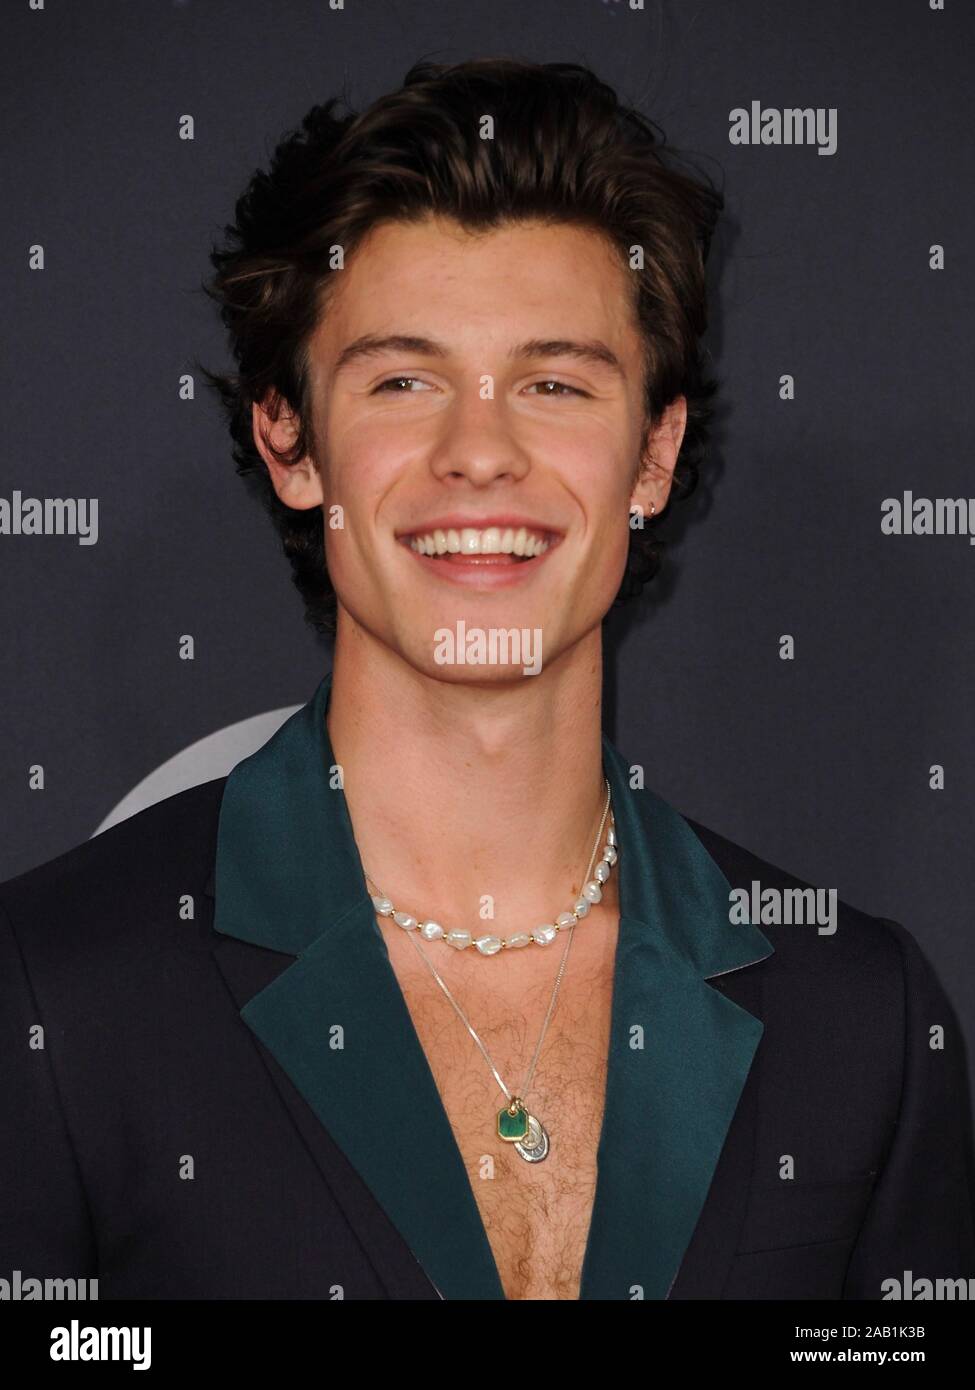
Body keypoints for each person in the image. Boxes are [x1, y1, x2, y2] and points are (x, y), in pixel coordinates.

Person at [1, 58, 973, 1302]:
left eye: (555, 382)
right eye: (404, 379)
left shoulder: (858, 1018)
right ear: (291, 440)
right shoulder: (56, 993)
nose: (481, 452)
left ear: (654, 455)